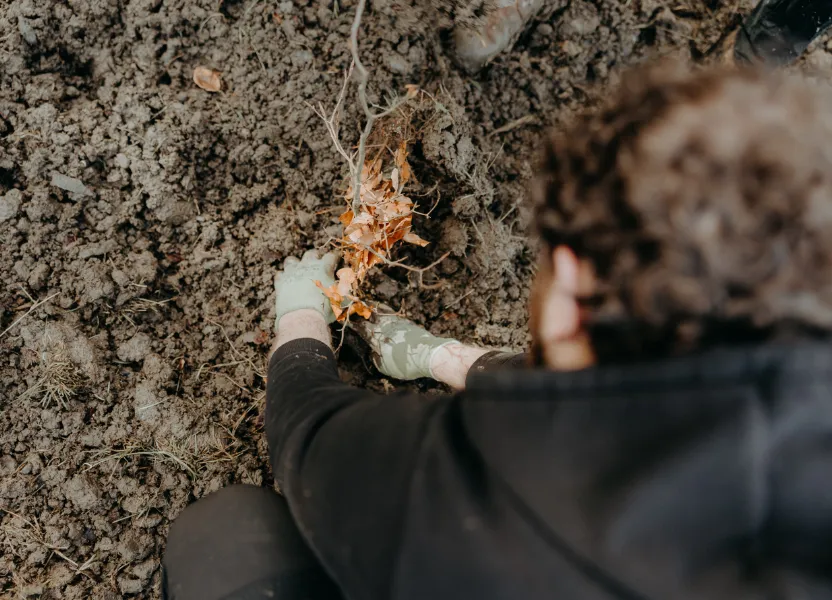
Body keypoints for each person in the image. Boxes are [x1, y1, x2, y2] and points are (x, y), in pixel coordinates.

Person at [163, 63, 832, 600]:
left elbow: (310, 440)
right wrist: (453, 359)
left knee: (225, 540)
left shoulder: (470, 497)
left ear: (570, 288)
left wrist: (302, 322)